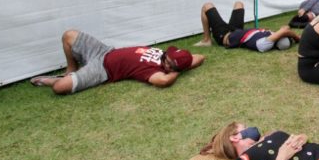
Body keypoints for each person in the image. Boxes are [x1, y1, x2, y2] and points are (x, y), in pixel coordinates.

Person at [29, 30, 203, 95]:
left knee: (59, 88)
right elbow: (200, 57)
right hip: (104, 50)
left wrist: (176, 71)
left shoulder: (156, 72)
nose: (165, 60)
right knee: (69, 35)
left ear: (173, 69)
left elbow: (163, 82)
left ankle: (56, 79)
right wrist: (181, 63)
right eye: (167, 57)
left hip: (103, 69)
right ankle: (71, 69)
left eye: (169, 63)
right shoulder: (165, 57)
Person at [195, 1, 299, 52]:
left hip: (224, 35)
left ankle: (206, 40)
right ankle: (207, 39)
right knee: (239, 4)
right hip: (237, 30)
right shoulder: (270, 38)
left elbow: (285, 30)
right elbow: (285, 29)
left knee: (207, 6)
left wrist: (298, 38)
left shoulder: (264, 45)